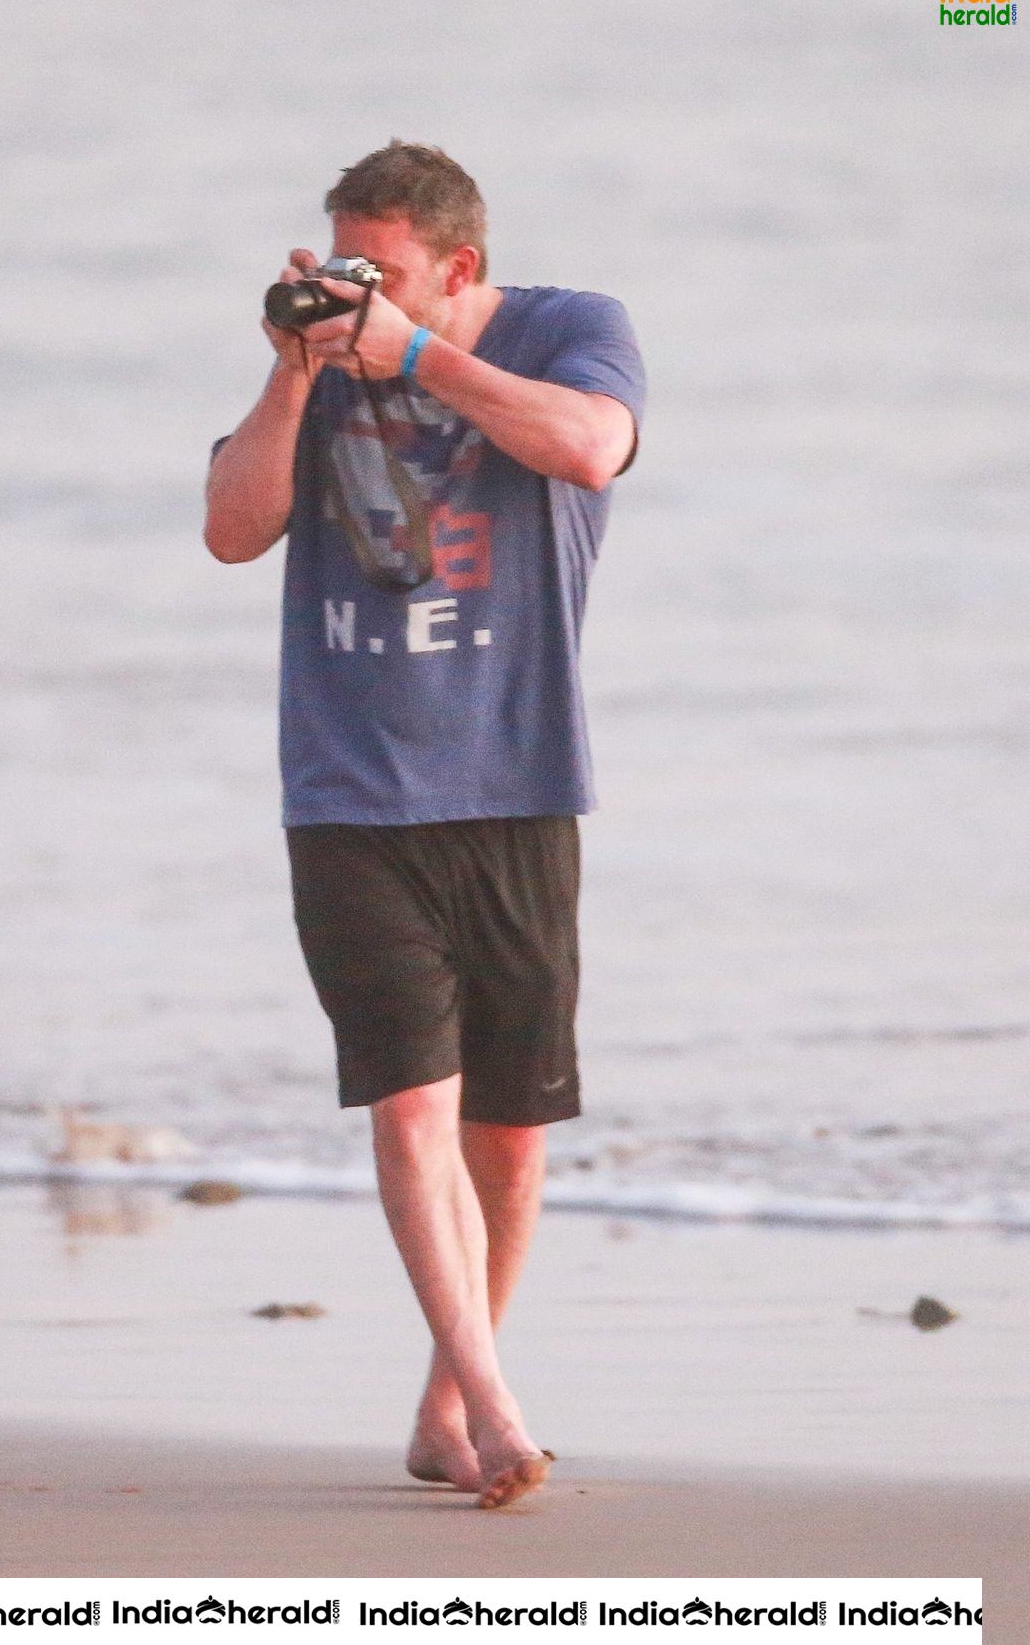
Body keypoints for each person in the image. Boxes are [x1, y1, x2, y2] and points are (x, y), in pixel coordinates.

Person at [203, 141, 646, 1510]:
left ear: (458, 269)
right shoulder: (323, 366)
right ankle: (500, 1408)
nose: (356, 295)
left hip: (517, 779)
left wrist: (416, 356)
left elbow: (589, 444)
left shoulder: (573, 329)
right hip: (350, 790)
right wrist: (296, 369)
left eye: (381, 273)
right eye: (341, 265)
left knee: (508, 1135)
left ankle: (446, 1390)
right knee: (410, 1107)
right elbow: (232, 528)